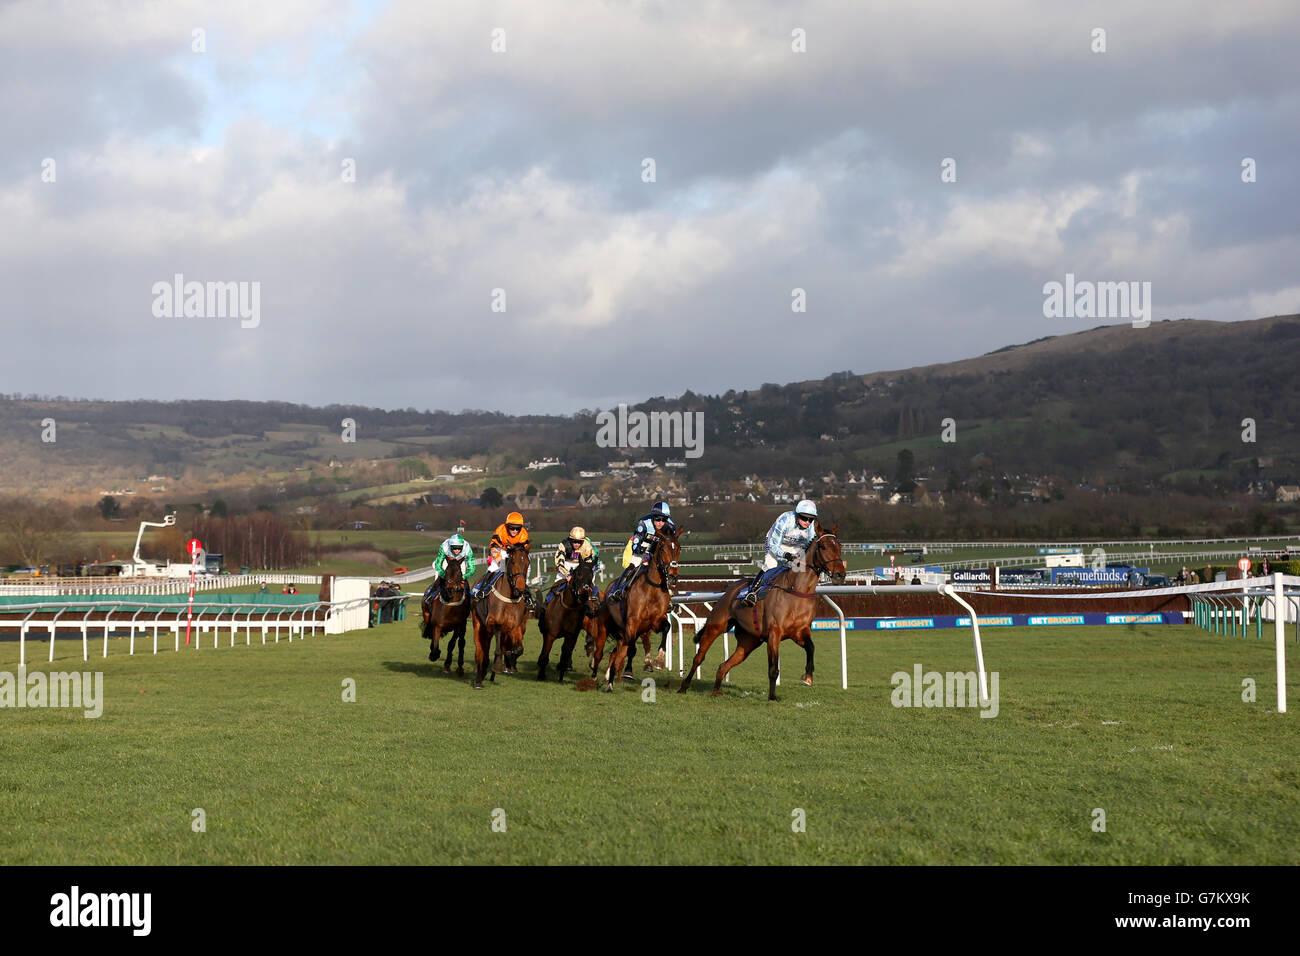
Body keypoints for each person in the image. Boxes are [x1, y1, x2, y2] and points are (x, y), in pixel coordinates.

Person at [736, 499, 819, 607]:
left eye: (811, 519)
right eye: (804, 518)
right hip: (775, 542)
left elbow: (810, 548)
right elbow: (774, 546)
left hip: (795, 546)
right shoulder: (785, 520)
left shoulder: (811, 528)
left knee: (799, 570)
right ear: (798, 515)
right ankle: (752, 592)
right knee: (770, 567)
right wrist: (786, 555)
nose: (807, 522)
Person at [608, 502, 674, 601]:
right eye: (658, 519)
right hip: (642, 545)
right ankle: (618, 590)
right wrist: (641, 550)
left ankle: (669, 596)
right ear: (653, 517)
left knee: (666, 568)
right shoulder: (644, 522)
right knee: (633, 565)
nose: (660, 522)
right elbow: (636, 541)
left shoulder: (671, 526)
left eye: (664, 519)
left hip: (658, 548)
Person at [472, 511, 533, 608]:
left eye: (518, 528)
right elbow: (493, 547)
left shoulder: (524, 534)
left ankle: (527, 594)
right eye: (512, 528)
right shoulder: (500, 531)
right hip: (500, 551)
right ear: (507, 526)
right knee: (493, 568)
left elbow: (523, 551)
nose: (515, 531)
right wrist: (500, 560)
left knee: (525, 568)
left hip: (515, 552)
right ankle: (482, 589)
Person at [424, 533, 475, 604]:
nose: (457, 550)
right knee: (438, 580)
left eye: (459, 548)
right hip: (446, 561)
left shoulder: (467, 548)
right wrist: (443, 574)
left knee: (463, 581)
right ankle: (430, 596)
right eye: (454, 548)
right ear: (450, 546)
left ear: (463, 546)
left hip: (460, 562)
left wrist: (464, 576)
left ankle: (469, 601)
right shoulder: (444, 546)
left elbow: (472, 568)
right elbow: (438, 564)